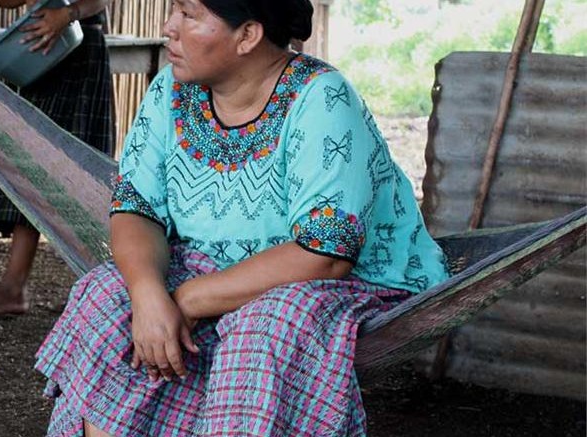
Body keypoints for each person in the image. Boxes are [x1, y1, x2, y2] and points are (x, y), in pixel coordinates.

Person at [35, 0, 450, 435]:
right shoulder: (170, 91)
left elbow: (325, 255)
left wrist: (189, 299)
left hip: (346, 281)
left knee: (265, 327)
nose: (168, 27)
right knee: (106, 296)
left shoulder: (322, 99)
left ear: (247, 36)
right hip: (212, 266)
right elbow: (137, 208)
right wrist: (147, 294)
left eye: (188, 15)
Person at [0, 0, 115, 315]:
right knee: (28, 165)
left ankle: (97, 291)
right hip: (44, 55)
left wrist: (67, 14)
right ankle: (14, 286)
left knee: (77, 175)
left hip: (80, 49)